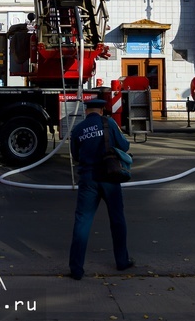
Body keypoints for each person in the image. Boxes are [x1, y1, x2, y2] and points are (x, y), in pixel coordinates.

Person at [69, 98, 133, 281]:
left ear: (86, 111)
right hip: (110, 177)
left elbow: (75, 156)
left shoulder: (78, 129)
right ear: (102, 110)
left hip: (88, 180)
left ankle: (76, 269)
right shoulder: (109, 123)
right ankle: (122, 261)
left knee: (82, 222)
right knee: (117, 220)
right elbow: (125, 146)